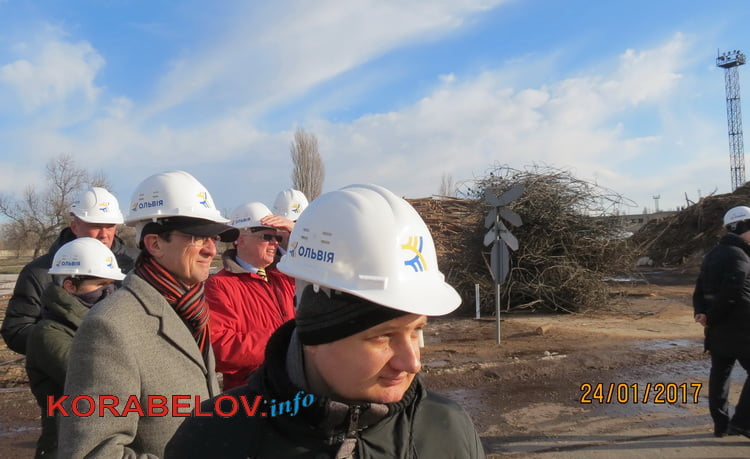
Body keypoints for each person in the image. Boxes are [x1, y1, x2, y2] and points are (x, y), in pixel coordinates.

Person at [166, 184, 485, 458]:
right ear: (316, 330)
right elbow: (221, 344)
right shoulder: (216, 438)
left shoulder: (447, 429)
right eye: (384, 336)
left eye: (416, 331)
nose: (413, 362)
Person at [58, 170, 239, 458]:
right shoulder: (112, 326)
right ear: (154, 244)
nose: (211, 249)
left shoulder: (192, 312)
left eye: (214, 238)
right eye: (198, 237)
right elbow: (92, 452)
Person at [1, 186, 138, 354]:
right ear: (74, 226)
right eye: (95, 226)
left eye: (110, 226)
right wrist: (68, 343)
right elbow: (16, 330)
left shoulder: (136, 263)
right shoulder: (39, 272)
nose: (104, 234)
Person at [25, 237, 126, 458]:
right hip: (66, 446)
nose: (108, 292)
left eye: (111, 284)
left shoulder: (101, 322)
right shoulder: (48, 333)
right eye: (99, 284)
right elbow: (97, 380)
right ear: (70, 286)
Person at [206, 201, 296, 390]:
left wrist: (295, 231)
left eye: (277, 237)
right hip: (254, 393)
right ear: (241, 240)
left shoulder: (284, 276)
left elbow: (322, 268)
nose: (275, 243)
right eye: (266, 236)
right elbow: (219, 347)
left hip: (293, 386)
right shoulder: (220, 285)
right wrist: (281, 342)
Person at [693, 205, 750, 438]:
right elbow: (732, 292)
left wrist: (702, 313)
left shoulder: (713, 253)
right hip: (741, 328)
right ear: (743, 227)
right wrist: (712, 315)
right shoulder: (739, 255)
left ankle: (721, 424)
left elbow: (699, 287)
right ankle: (742, 423)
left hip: (717, 329)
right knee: (721, 373)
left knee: (720, 373)